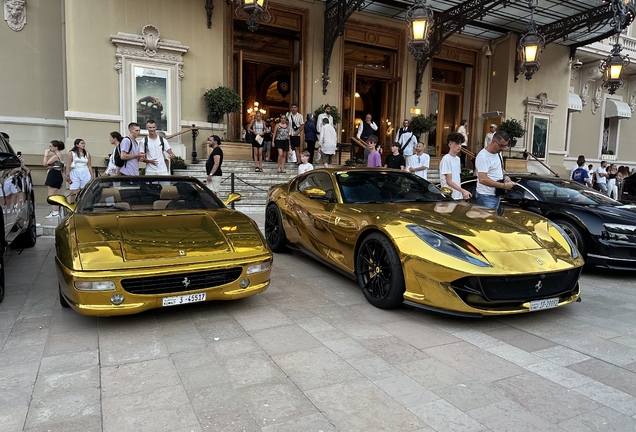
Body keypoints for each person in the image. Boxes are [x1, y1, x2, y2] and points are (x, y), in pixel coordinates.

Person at [474, 131, 515, 209]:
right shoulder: (483, 157)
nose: (503, 149)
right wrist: (503, 186)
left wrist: (505, 176)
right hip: (485, 196)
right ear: (493, 142)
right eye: (501, 146)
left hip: (495, 194)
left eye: (505, 146)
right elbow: (482, 179)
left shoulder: (498, 153)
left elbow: (499, 169)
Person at [440, 132, 472, 200]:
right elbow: (449, 181)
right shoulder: (446, 159)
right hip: (449, 196)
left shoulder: (458, 159)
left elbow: (457, 178)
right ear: (450, 144)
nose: (459, 146)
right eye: (457, 143)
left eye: (460, 144)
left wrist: (461, 192)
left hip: (458, 196)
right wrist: (463, 191)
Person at [43, 139, 65, 218]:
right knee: (53, 193)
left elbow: (45, 164)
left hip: (54, 175)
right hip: (57, 174)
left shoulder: (56, 156)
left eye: (51, 146)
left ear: (56, 147)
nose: (49, 148)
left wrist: (46, 154)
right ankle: (55, 210)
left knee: (51, 194)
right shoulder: (60, 155)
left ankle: (55, 212)